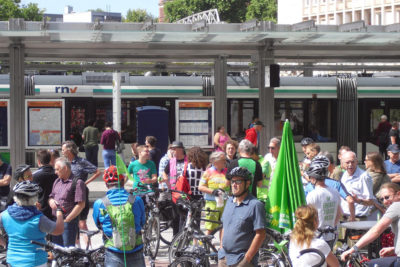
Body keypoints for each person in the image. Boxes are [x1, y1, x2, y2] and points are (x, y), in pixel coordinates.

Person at [0, 181, 64, 267]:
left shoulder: (4, 215)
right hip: (35, 261)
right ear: (34, 198)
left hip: (12, 260)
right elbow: (59, 230)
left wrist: (4, 244)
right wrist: (59, 212)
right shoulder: (39, 218)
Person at [93, 166, 146, 267]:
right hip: (135, 249)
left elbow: (98, 225)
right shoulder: (137, 200)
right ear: (123, 182)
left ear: (106, 184)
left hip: (113, 251)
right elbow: (142, 222)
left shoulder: (99, 203)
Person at [341, 183, 400, 266]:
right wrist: (394, 249)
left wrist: (353, 249)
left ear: (398, 194)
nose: (385, 201)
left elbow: (376, 230)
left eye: (387, 197)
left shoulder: (396, 206)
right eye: (382, 199)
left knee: (369, 264)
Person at [218, 167, 266, 267]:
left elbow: (260, 234)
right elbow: (224, 226)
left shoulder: (255, 205)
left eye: (238, 181)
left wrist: (247, 258)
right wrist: (221, 248)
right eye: (232, 181)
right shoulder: (229, 202)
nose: (234, 185)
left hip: (242, 260)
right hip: (224, 257)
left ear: (247, 183)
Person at [62, 140, 101, 246]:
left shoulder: (81, 161)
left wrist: (85, 182)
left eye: (63, 149)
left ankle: (89, 248)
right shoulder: (65, 163)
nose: (62, 151)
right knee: (72, 223)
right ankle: (77, 248)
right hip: (69, 196)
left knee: (82, 223)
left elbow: (97, 171)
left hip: (81, 195)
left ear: (69, 150)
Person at [305, 155, 342, 249]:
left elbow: (307, 217)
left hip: (317, 236)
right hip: (331, 235)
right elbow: (339, 213)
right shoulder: (335, 192)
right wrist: (332, 226)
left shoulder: (312, 195)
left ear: (313, 178)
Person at [49, 157, 86, 247]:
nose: (55, 172)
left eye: (57, 169)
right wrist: (51, 202)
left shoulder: (78, 183)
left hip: (68, 224)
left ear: (65, 168)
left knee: (67, 251)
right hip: (55, 221)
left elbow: (80, 205)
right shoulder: (57, 181)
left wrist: (67, 219)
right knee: (56, 249)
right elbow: (51, 196)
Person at [199, 152, 229, 236]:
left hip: (225, 203)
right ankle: (207, 246)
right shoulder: (208, 172)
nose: (225, 162)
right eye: (223, 160)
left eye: (225, 160)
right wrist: (213, 191)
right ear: (215, 162)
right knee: (210, 227)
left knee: (223, 226)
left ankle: (221, 247)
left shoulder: (227, 172)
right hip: (211, 204)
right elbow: (200, 187)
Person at [162, 141, 187, 235]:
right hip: (174, 193)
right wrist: (166, 181)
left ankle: (184, 238)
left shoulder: (187, 161)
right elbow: (164, 172)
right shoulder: (172, 161)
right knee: (175, 216)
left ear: (180, 149)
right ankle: (175, 237)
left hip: (185, 192)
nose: (172, 151)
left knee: (184, 216)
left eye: (174, 149)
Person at [340, 151, 376, 219]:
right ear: (343, 163)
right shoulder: (345, 174)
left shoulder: (364, 176)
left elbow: (370, 202)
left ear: (357, 161)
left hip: (358, 218)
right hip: (345, 217)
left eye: (353, 162)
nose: (350, 165)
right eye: (347, 162)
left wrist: (357, 200)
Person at [33, 149, 57, 220]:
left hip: (40, 208)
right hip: (55, 208)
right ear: (50, 160)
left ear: (39, 162)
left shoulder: (34, 175)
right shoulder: (57, 173)